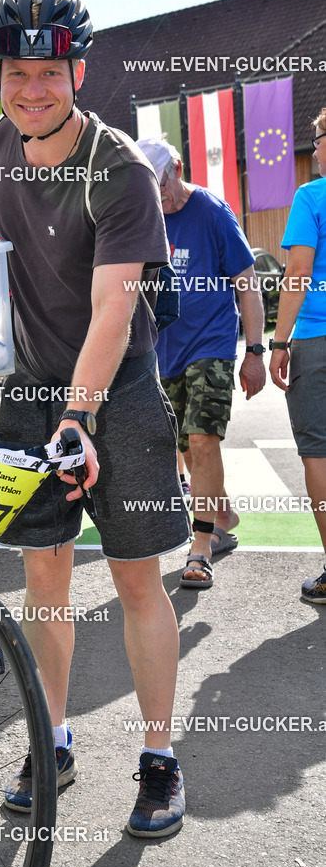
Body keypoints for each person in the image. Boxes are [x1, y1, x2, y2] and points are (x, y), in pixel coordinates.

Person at [0, 0, 191, 837]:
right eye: (16, 74)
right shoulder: (2, 137)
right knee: (44, 577)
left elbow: (112, 311)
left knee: (135, 580)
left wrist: (77, 415)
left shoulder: (120, 172)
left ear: (77, 74)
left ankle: (159, 760)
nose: (32, 90)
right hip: (30, 394)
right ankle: (51, 740)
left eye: (49, 74)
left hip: (115, 395)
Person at [137, 137, 267, 588]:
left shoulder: (212, 211)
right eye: (150, 188)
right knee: (188, 447)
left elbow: (247, 283)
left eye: (162, 184)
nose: (160, 197)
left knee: (202, 438)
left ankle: (201, 545)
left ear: (177, 168)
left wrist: (255, 352)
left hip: (211, 344)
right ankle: (222, 513)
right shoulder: (144, 216)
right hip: (164, 352)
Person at [270, 106, 326, 603]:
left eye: (317, 140)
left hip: (315, 340)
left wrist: (278, 341)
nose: (314, 150)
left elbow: (298, 272)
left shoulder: (311, 196)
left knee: (319, 452)